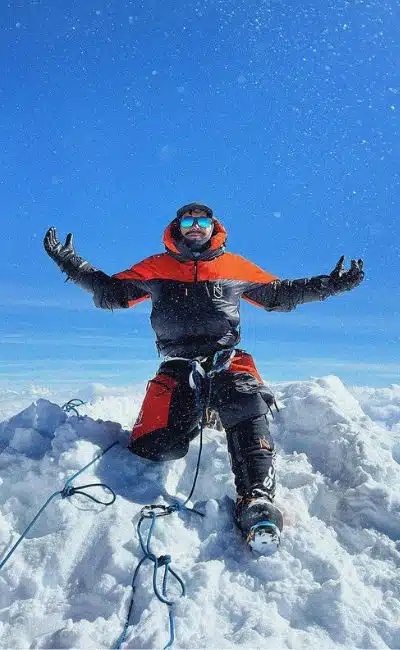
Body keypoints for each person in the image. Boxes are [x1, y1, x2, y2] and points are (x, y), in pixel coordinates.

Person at [44, 202, 364, 552]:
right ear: (177, 227)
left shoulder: (234, 266)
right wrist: (69, 262)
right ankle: (200, 413)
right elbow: (111, 292)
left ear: (213, 227)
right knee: (155, 446)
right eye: (188, 222)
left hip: (226, 361)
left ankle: (255, 497)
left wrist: (331, 285)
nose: (195, 227)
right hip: (178, 366)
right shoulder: (155, 266)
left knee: (245, 400)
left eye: (202, 222)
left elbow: (280, 294)